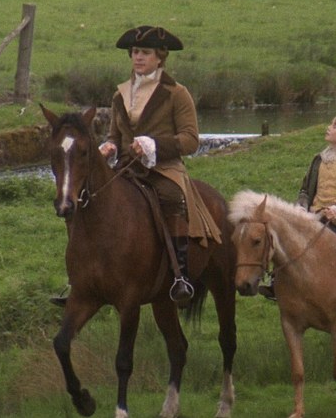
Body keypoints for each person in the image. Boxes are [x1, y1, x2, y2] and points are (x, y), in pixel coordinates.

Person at [51, 25, 220, 307]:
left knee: (171, 196)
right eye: (135, 52)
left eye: (145, 52)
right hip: (126, 168)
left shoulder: (177, 93)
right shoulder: (121, 94)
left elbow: (191, 140)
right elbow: (115, 136)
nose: (138, 57)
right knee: (85, 198)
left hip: (164, 168)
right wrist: (109, 146)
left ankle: (180, 275)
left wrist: (154, 145)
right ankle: (79, 279)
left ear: (160, 57)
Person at [258, 112, 336, 303]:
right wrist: (302, 206)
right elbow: (305, 190)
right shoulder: (318, 160)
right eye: (331, 124)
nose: (329, 128)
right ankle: (276, 281)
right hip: (314, 211)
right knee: (287, 235)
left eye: (335, 126)